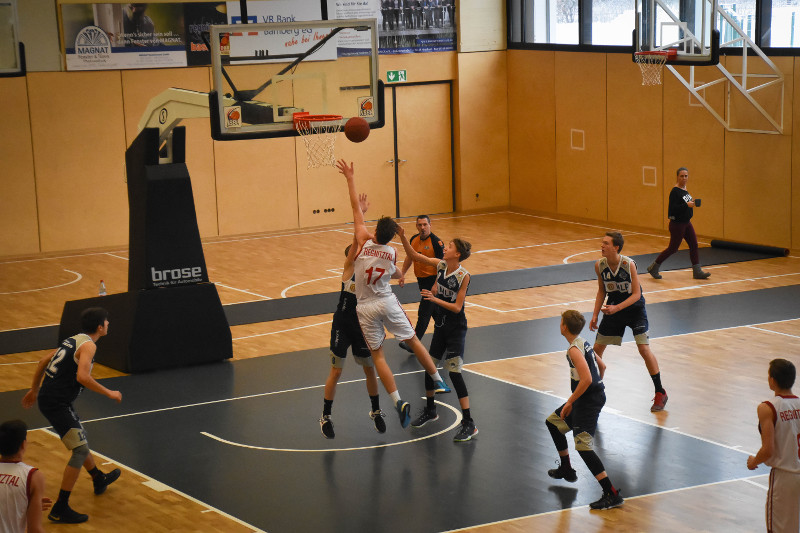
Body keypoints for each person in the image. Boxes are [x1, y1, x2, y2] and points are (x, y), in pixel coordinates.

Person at [336, 159, 450, 428]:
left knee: (378, 357)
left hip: (364, 307)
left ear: (374, 230)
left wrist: (350, 178)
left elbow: (355, 208)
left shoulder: (362, 240)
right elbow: (397, 274)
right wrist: (400, 275)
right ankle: (437, 379)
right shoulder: (391, 252)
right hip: (386, 301)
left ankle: (398, 400)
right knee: (413, 339)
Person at [21, 307, 122, 524]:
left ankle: (98, 478)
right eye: (107, 322)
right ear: (99, 327)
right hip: (57, 403)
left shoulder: (74, 339)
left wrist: (35, 389)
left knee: (79, 437)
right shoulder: (89, 346)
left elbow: (42, 361)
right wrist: (109, 393)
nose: (108, 324)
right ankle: (60, 507)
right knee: (80, 449)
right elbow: (83, 377)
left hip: (53, 399)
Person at [398, 228, 477, 441]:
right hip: (441, 326)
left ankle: (469, 422)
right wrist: (403, 237)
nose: (446, 248)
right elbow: (415, 256)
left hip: (456, 328)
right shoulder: (441, 266)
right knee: (430, 366)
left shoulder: (464, 276)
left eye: (450, 246)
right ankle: (431, 410)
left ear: (457, 254)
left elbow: (458, 307)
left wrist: (434, 300)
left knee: (454, 372)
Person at [319, 193, 387, 439]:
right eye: (354, 253)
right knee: (336, 372)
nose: (358, 254)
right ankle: (325, 416)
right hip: (342, 324)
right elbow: (358, 240)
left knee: (370, 369)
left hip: (362, 327)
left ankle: (376, 411)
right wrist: (361, 214)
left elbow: (369, 245)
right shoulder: (348, 270)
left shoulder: (369, 273)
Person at [545, 310, 623, 510]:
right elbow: (602, 367)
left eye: (560, 321)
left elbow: (587, 378)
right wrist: (596, 390)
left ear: (564, 326)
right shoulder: (583, 342)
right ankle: (566, 468)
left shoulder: (573, 350)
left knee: (584, 447)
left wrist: (572, 401)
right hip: (589, 398)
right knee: (553, 423)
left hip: (586, 402)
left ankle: (611, 493)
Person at [590, 232, 668, 412]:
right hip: (613, 309)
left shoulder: (628, 264)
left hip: (634, 310)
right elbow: (601, 290)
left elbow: (636, 295)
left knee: (643, 348)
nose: (602, 246)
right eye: (602, 243)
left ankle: (660, 391)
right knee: (596, 352)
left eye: (606, 243)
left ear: (616, 247)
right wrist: (595, 314)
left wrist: (616, 308)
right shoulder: (599, 265)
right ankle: (592, 390)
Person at [747, 359, 800, 533]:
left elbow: (768, 450)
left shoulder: (767, 408)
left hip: (784, 477)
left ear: (772, 380)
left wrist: (754, 461)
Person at [647, 167, 711, 280]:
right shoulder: (675, 191)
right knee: (673, 248)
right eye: (682, 176)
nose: (684, 178)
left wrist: (692, 204)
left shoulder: (685, 189)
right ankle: (653, 267)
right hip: (677, 224)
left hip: (686, 223)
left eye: (686, 176)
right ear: (677, 177)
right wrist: (687, 205)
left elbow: (685, 205)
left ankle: (697, 271)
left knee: (694, 245)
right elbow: (672, 209)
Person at [398, 215, 444, 353]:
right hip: (421, 280)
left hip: (433, 281)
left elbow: (443, 267)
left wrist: (436, 285)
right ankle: (447, 337)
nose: (422, 228)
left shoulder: (436, 243)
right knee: (436, 313)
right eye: (420, 225)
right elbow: (410, 257)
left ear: (430, 225)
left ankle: (414, 344)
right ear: (416, 226)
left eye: (425, 224)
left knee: (424, 312)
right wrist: (402, 274)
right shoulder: (413, 239)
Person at [0, 420, 51, 533]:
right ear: (23, 444)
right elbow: (34, 530)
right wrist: (30, 506)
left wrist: (22, 504)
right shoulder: (33, 477)